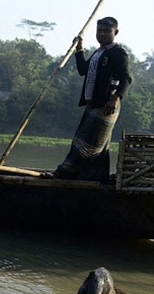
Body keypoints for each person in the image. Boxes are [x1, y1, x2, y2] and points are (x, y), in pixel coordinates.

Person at [49, 17, 132, 182]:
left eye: (106, 31)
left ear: (115, 32)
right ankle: (96, 177)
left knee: (86, 143)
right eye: (99, 30)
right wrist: (79, 50)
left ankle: (64, 172)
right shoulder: (98, 53)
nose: (102, 34)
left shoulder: (118, 53)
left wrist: (115, 98)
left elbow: (126, 78)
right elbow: (82, 70)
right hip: (93, 103)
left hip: (107, 104)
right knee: (98, 145)